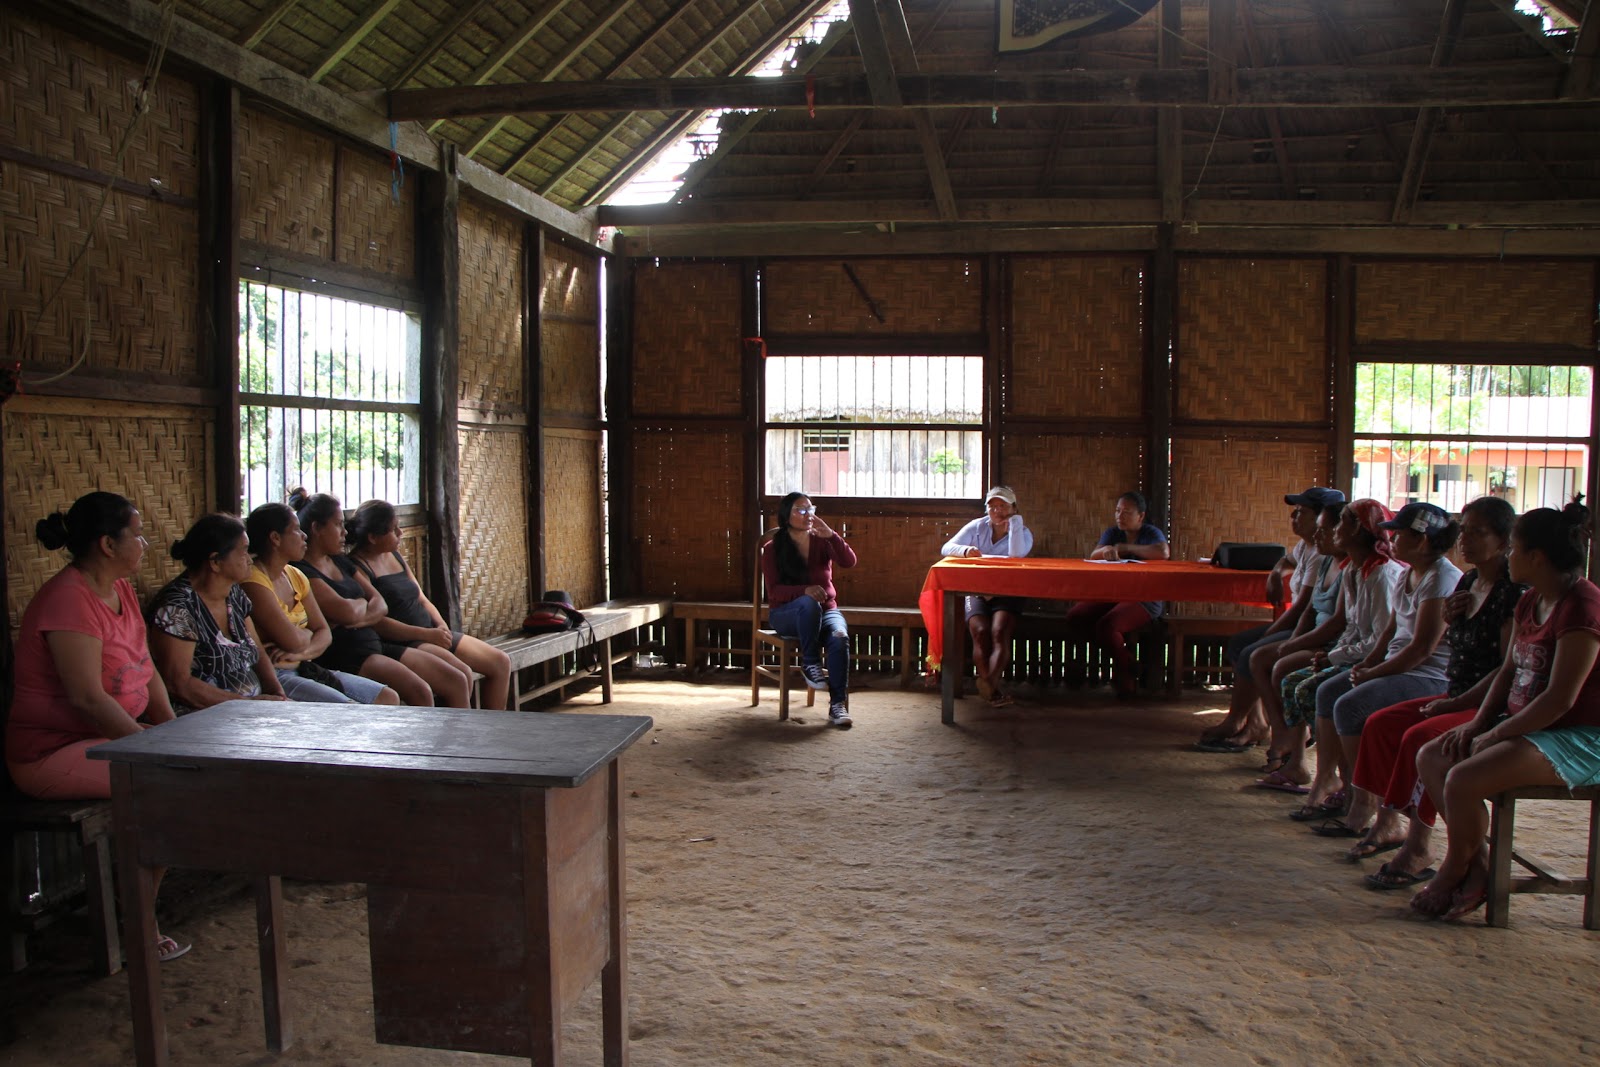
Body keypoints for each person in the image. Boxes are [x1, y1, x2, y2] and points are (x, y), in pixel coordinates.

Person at [4, 493, 185, 960]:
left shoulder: (121, 589)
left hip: (110, 738)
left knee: (184, 772)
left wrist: (171, 731)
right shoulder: (68, 599)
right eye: (137, 534)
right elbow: (86, 697)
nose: (145, 543)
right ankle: (138, 920)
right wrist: (147, 745)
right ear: (107, 543)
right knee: (164, 785)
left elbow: (146, 669)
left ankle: (136, 905)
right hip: (50, 752)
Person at [1410, 498, 1600, 922]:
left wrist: (1496, 734)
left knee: (1462, 776)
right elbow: (1508, 670)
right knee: (1434, 756)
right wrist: (1479, 722)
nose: (1509, 557)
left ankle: (1456, 868)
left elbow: (1560, 699)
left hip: (1577, 736)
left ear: (1535, 557)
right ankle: (1477, 865)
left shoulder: (1582, 607)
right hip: (1529, 726)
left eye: (1513, 548)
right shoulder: (1531, 600)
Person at [1344, 497, 1523, 887]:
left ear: (1506, 541)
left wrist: (1456, 703)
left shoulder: (1512, 592)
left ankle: (1420, 843)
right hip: (1457, 692)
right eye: (1466, 530)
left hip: (1487, 701)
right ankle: (1387, 819)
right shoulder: (1470, 582)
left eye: (1479, 532)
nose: (1466, 540)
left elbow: (1506, 669)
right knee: (1380, 724)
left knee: (1420, 738)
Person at [1307, 502, 1462, 847]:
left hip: (1429, 676)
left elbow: (1421, 649)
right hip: (1401, 667)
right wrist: (1368, 666)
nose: (1391, 538)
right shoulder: (1410, 571)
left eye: (1400, 533)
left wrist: (1375, 671)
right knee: (1331, 691)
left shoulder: (1442, 578)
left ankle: (1371, 806)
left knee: (1352, 706)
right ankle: (1350, 789)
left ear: (1422, 541)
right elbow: (1391, 630)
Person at [1277, 499, 1400, 820]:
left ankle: (1342, 782)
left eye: (1342, 522)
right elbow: (1351, 628)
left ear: (1360, 531)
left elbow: (1381, 639)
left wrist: (1335, 657)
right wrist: (1332, 657)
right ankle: (1333, 777)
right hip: (1357, 656)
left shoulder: (1383, 575)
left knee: (1318, 690)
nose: (1334, 531)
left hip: (1380, 662)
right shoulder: (1354, 571)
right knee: (1297, 683)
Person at [1198, 487, 1346, 751]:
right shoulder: (1306, 546)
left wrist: (1270, 635)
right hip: (1304, 623)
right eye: (1294, 511)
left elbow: (1302, 610)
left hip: (1310, 628)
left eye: (1302, 512)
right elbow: (1285, 561)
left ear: (1324, 519)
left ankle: (1240, 721)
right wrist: (1275, 574)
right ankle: (1254, 721)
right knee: (1238, 644)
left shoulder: (1321, 555)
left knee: (1252, 651)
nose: (1294, 517)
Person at [346, 499, 512, 710]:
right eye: (393, 529)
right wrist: (426, 635)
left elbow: (421, 598)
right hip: (406, 640)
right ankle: (462, 737)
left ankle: (495, 727)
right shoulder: (357, 567)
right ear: (372, 537)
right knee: (461, 676)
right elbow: (377, 622)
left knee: (500, 662)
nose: (400, 533)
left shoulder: (394, 556)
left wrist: (441, 626)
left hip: (431, 631)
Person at [289, 489, 446, 708]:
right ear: (316, 528)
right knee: (420, 691)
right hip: (348, 653)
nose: (344, 532)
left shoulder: (339, 561)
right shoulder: (303, 571)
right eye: (337, 525)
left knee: (450, 678)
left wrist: (357, 614)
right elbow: (347, 612)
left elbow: (380, 604)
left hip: (374, 643)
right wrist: (362, 607)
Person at [240, 503, 399, 706]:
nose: (303, 535)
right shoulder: (254, 581)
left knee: (387, 697)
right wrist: (307, 636)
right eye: (296, 530)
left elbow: (324, 633)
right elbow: (293, 640)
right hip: (276, 674)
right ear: (275, 538)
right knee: (350, 710)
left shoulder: (295, 575)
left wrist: (302, 652)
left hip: (304, 665)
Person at [1253, 500, 1349, 788]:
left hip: (1334, 643)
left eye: (1324, 531)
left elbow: (1337, 623)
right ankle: (1285, 740)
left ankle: (1298, 758)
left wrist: (1296, 643)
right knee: (1263, 657)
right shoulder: (1325, 562)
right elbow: (1308, 610)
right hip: (1319, 637)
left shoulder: (1349, 570)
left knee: (1284, 667)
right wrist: (1295, 640)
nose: (1317, 537)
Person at [147, 514, 286, 713]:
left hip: (251, 709)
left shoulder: (234, 593)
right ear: (215, 561)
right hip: (201, 716)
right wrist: (248, 706)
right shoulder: (177, 608)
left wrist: (277, 695)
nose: (250, 559)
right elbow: (178, 683)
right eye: (244, 552)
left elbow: (257, 649)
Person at [762, 492, 858, 728]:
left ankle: (837, 705)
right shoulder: (772, 548)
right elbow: (774, 592)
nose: (808, 515)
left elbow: (849, 561)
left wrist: (833, 536)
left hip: (826, 612)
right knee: (808, 603)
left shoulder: (822, 541)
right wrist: (804, 590)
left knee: (839, 636)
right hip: (786, 614)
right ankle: (811, 663)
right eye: (800, 510)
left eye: (810, 509)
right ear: (786, 515)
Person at [1065, 490, 1170, 698]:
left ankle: (1125, 675)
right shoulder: (1112, 533)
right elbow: (1094, 555)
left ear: (1140, 516)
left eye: (1127, 512)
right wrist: (1106, 551)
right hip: (1112, 594)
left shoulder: (1150, 533)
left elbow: (1163, 553)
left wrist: (1125, 548)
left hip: (1144, 598)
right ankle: (1128, 662)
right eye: (1117, 511)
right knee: (1075, 617)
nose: (1120, 516)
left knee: (1107, 626)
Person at [940, 486, 1034, 707]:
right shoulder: (977, 527)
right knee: (980, 631)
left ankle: (988, 684)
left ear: (1014, 508)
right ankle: (993, 693)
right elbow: (946, 547)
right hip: (977, 590)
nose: (997, 511)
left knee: (999, 631)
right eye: (992, 507)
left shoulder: (1023, 533)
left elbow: (1016, 555)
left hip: (1008, 592)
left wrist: (1015, 526)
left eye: (1003, 506)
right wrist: (965, 551)